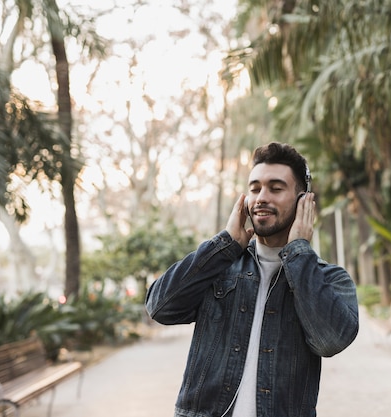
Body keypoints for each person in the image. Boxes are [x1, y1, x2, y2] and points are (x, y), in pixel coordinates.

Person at [145, 142, 359, 417]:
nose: (261, 198)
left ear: (303, 200)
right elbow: (160, 308)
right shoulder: (220, 265)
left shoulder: (329, 279)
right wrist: (224, 244)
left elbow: (330, 341)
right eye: (255, 188)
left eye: (276, 188)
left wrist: (298, 253)